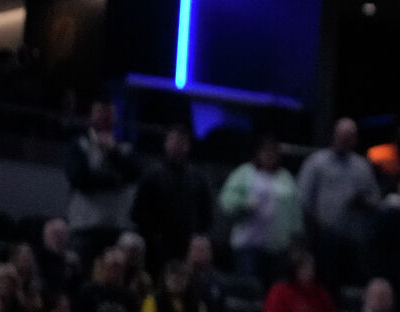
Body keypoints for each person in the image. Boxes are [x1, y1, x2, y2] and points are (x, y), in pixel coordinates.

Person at [299, 118, 380, 286]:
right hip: (322, 239)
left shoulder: (362, 167)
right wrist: (313, 229)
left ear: (355, 139)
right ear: (334, 135)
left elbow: (375, 199)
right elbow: (303, 200)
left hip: (353, 241)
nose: (344, 140)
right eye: (341, 136)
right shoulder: (316, 162)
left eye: (349, 137)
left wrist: (364, 202)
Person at [67, 102, 143, 258]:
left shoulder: (125, 147)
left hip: (117, 225)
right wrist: (115, 181)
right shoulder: (78, 144)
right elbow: (78, 178)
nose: (104, 117)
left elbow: (134, 174)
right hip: (85, 224)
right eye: (100, 111)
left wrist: (113, 152)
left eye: (109, 113)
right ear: (91, 115)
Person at [134, 126, 215, 272]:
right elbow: (138, 211)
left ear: (188, 146)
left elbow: (206, 213)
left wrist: (198, 238)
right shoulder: (151, 175)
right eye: (174, 141)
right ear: (166, 143)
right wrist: (151, 235)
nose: (177, 146)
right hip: (156, 245)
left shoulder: (198, 178)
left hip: (187, 245)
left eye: (182, 142)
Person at [219, 137, 300, 282]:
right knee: (249, 288)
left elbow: (294, 211)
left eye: (273, 152)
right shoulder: (244, 172)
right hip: (248, 245)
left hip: (277, 248)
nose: (269, 155)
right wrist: (244, 203)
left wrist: (295, 240)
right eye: (265, 151)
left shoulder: (285, 177)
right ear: (258, 153)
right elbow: (226, 200)